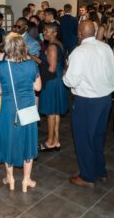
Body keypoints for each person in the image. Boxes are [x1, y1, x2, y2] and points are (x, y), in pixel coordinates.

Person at [63, 17, 114, 187]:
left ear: (79, 34)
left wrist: (65, 73)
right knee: (98, 137)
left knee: (83, 138)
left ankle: (87, 176)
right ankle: (100, 170)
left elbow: (70, 81)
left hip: (87, 101)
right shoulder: (106, 47)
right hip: (106, 99)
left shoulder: (79, 52)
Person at [0, 31, 41, 193]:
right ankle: (26, 180)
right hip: (27, 106)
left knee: (9, 140)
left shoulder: (0, 66)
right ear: (23, 46)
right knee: (28, 140)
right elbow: (38, 87)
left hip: (8, 109)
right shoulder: (31, 65)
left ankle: (10, 178)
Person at [39, 21, 69, 149]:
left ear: (54, 33)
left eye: (47, 31)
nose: (44, 33)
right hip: (58, 80)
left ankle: (50, 142)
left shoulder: (51, 46)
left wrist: (39, 77)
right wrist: (35, 58)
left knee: (51, 112)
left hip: (52, 81)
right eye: (44, 30)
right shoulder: (58, 44)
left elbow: (51, 68)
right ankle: (56, 140)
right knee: (55, 112)